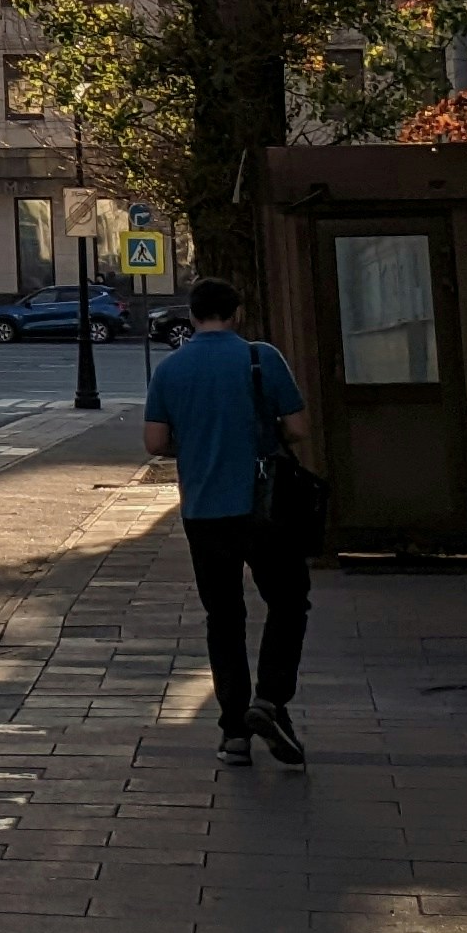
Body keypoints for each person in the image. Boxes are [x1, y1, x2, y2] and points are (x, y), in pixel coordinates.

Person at [139, 275, 313, 769]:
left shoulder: (171, 370)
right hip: (264, 506)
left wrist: (194, 445)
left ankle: (233, 731)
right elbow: (298, 427)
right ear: (237, 313)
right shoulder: (262, 358)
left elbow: (154, 443)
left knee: (224, 618)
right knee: (287, 600)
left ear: (192, 316)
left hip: (203, 511)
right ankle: (271, 700)